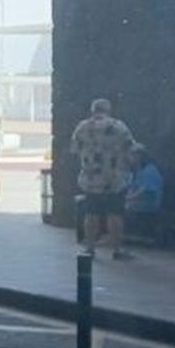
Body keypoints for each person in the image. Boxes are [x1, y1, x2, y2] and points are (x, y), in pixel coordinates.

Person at [71, 98, 136, 259]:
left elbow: (74, 150)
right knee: (115, 214)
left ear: (92, 110)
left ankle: (90, 248)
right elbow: (131, 149)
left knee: (91, 214)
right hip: (114, 179)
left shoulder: (82, 127)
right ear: (109, 110)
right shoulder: (118, 127)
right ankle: (117, 249)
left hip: (91, 178)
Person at [126, 145, 164, 242]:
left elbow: (146, 190)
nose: (128, 158)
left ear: (138, 157)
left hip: (147, 204)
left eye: (131, 156)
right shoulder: (137, 171)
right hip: (136, 202)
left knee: (117, 208)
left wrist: (129, 198)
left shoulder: (150, 170)